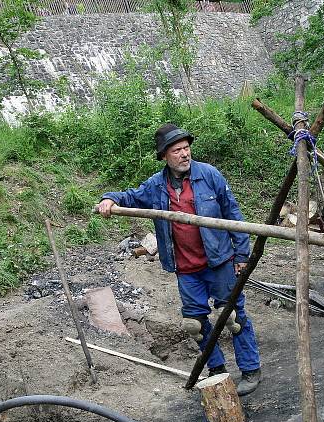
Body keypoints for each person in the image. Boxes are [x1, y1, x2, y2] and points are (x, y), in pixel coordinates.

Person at [96, 123, 262, 395]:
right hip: (186, 269)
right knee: (194, 325)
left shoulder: (209, 175)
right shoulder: (156, 186)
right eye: (177, 150)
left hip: (219, 262)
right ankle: (217, 370)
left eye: (186, 148)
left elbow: (233, 214)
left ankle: (250, 370)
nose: (184, 154)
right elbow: (131, 196)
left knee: (232, 317)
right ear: (165, 156)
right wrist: (109, 199)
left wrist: (241, 254)